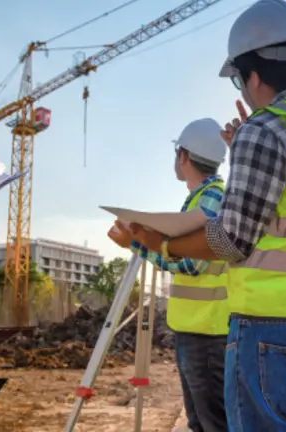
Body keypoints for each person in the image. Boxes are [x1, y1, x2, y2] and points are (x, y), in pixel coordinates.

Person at [114, 0, 286, 430]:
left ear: (254, 75)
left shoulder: (266, 128)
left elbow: (230, 241)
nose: (242, 90)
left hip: (278, 333)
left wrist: (158, 242)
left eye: (239, 79)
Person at [109, 118, 230, 432]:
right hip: (196, 330)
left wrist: (139, 243)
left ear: (184, 157)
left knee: (213, 424)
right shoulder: (200, 198)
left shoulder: (212, 198)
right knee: (200, 423)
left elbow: (193, 263)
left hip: (210, 332)